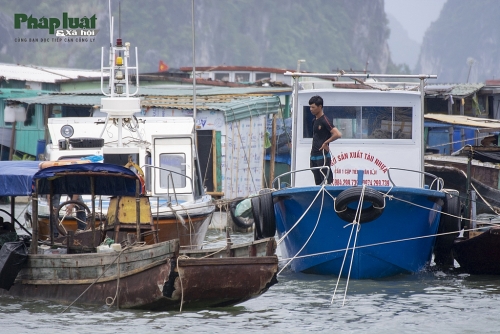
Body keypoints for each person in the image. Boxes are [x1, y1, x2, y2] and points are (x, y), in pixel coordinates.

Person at [309, 95, 342, 185]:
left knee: (326, 180)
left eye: (313, 107)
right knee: (317, 180)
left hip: (322, 155)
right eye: (310, 107)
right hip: (314, 154)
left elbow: (337, 134)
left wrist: (326, 142)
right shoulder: (314, 121)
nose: (311, 109)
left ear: (320, 107)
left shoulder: (325, 120)